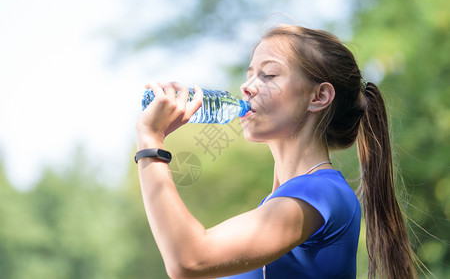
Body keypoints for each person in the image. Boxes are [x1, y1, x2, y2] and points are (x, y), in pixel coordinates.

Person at [135, 25, 417, 279]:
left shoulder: (322, 193)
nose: (246, 87)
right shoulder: (280, 203)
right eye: (249, 75)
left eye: (268, 75)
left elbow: (190, 260)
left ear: (318, 97)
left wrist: (151, 141)